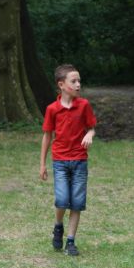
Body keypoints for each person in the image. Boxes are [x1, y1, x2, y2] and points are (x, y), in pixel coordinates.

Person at [39, 64, 96, 256]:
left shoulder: (84, 105)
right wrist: (42, 164)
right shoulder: (52, 109)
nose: (78, 84)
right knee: (62, 200)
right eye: (74, 81)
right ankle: (58, 226)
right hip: (60, 161)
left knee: (77, 202)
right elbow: (47, 136)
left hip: (80, 160)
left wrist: (90, 134)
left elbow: (91, 128)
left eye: (79, 81)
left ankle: (70, 241)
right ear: (61, 85)